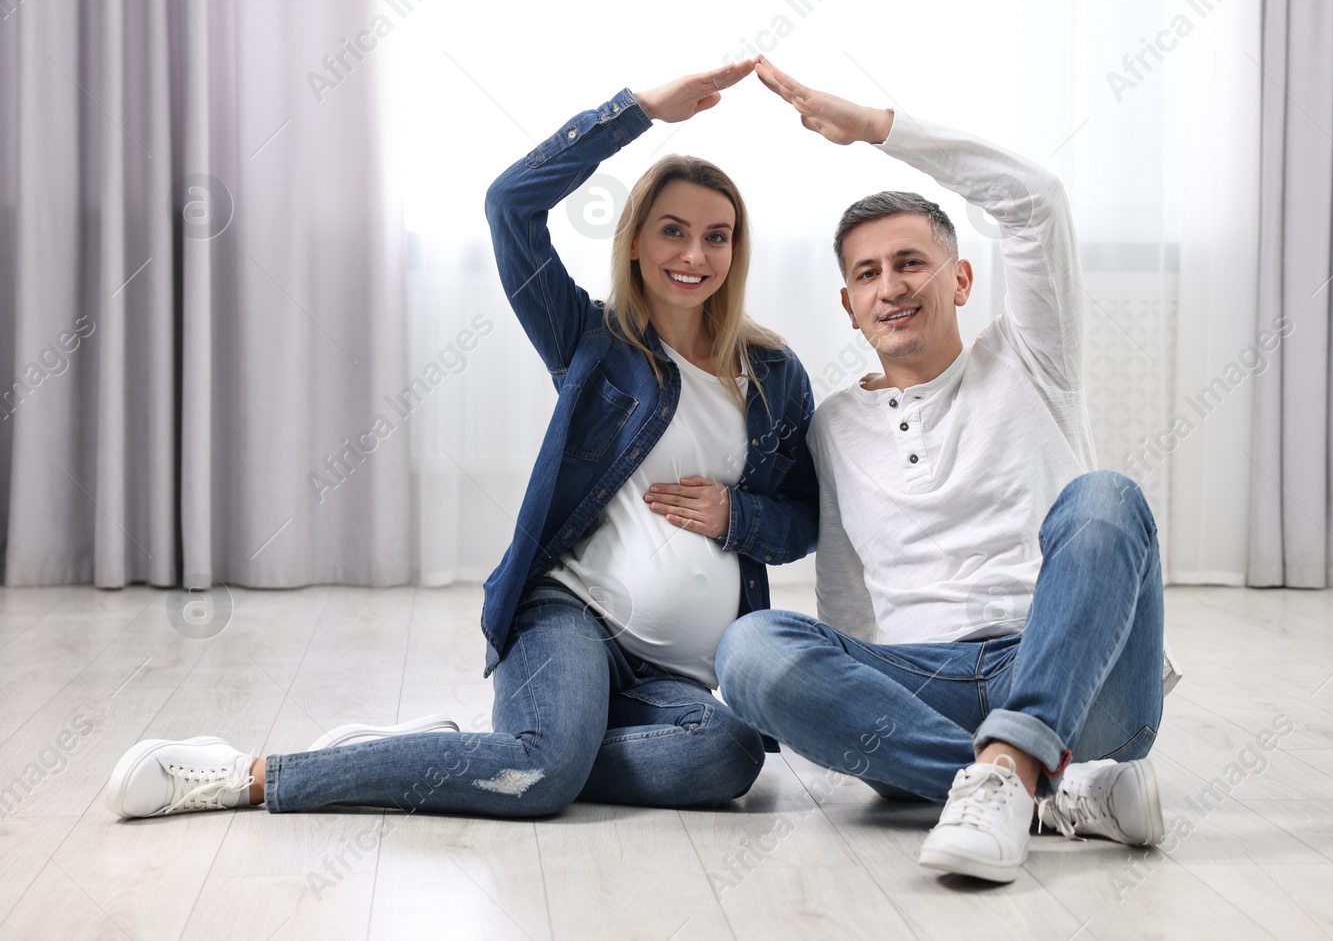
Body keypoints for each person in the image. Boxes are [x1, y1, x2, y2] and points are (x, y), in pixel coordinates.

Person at [104, 61, 820, 820]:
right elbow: (510, 205)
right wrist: (637, 110)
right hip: (569, 615)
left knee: (729, 754)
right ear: (636, 241)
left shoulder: (772, 374)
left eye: (718, 236)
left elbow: (802, 519)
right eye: (673, 231)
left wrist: (735, 517)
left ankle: (504, 752)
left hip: (669, 675)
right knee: (542, 778)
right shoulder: (591, 341)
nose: (695, 255)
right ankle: (252, 774)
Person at [716, 57, 1169, 884]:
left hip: (1078, 676)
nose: (891, 286)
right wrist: (850, 716)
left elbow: (1035, 201)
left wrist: (878, 129)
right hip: (930, 685)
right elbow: (846, 599)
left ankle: (1015, 766)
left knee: (1107, 499)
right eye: (867, 273)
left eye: (911, 262)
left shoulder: (1033, 356)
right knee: (748, 648)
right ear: (848, 303)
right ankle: (1042, 786)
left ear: (961, 279)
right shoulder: (833, 427)